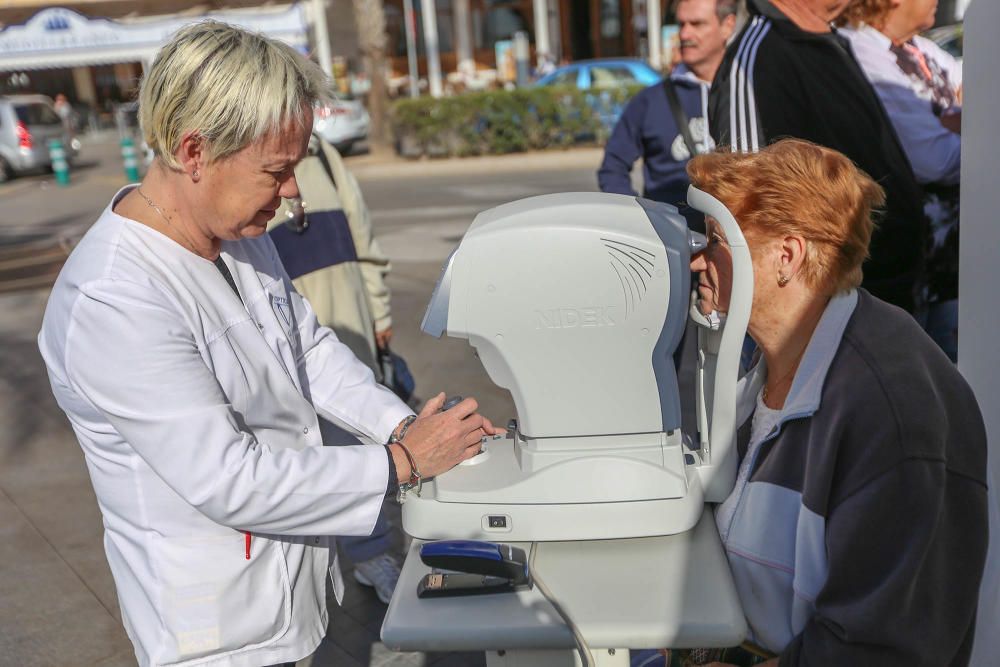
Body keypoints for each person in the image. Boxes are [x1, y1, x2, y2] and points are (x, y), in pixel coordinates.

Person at [37, 21, 499, 667]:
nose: (292, 194)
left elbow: (306, 348)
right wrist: (400, 463)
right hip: (214, 631)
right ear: (192, 151)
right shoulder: (114, 298)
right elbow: (227, 476)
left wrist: (405, 424)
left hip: (288, 588)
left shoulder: (236, 233)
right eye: (275, 171)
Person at [687, 139, 987, 665]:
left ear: (787, 255)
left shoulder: (888, 408)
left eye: (716, 240)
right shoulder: (771, 359)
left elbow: (882, 648)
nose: (697, 261)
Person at [707, 0, 927, 314]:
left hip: (886, 302)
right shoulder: (760, 55)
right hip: (829, 320)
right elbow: (745, 207)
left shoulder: (828, 40)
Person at [266, 134, 402, 604]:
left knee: (359, 440)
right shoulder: (240, 168)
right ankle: (316, 568)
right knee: (300, 451)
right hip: (280, 343)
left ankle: (372, 554)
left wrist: (379, 314)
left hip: (347, 327)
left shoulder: (321, 152)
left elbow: (363, 239)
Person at [837, 0, 961, 361]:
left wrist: (950, 120)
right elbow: (934, 160)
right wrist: (957, 117)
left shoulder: (920, 49)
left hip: (949, 270)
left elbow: (982, 96)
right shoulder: (862, 51)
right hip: (912, 269)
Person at [598, 0, 738, 205]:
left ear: (727, 25)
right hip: (669, 232)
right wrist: (639, 217)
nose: (684, 34)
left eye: (697, 24)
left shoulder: (749, 91)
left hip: (737, 233)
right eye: (681, 24)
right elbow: (612, 167)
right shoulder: (649, 101)